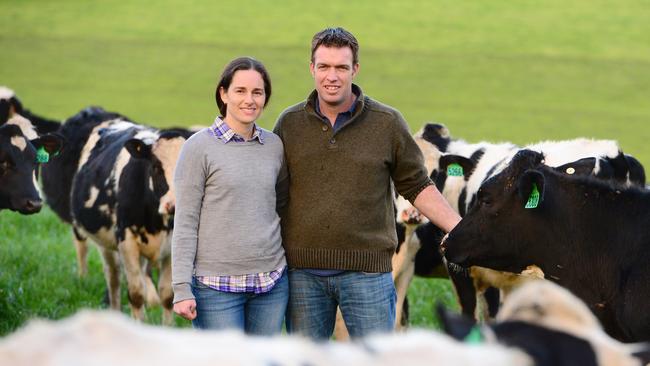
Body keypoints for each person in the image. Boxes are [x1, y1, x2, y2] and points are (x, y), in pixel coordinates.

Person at [273, 27, 462, 340]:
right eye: (324, 67)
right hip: (303, 275)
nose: (331, 76)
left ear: (355, 69)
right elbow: (274, 195)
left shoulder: (386, 123)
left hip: (368, 275)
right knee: (304, 362)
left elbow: (416, 185)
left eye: (341, 68)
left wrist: (459, 229)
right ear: (312, 68)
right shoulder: (289, 124)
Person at [172, 56, 289, 335]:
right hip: (216, 288)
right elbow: (185, 223)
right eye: (240, 91)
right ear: (223, 94)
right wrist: (181, 288)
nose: (249, 100)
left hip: (270, 284)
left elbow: (283, 207)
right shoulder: (198, 148)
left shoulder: (274, 146)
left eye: (257, 92)